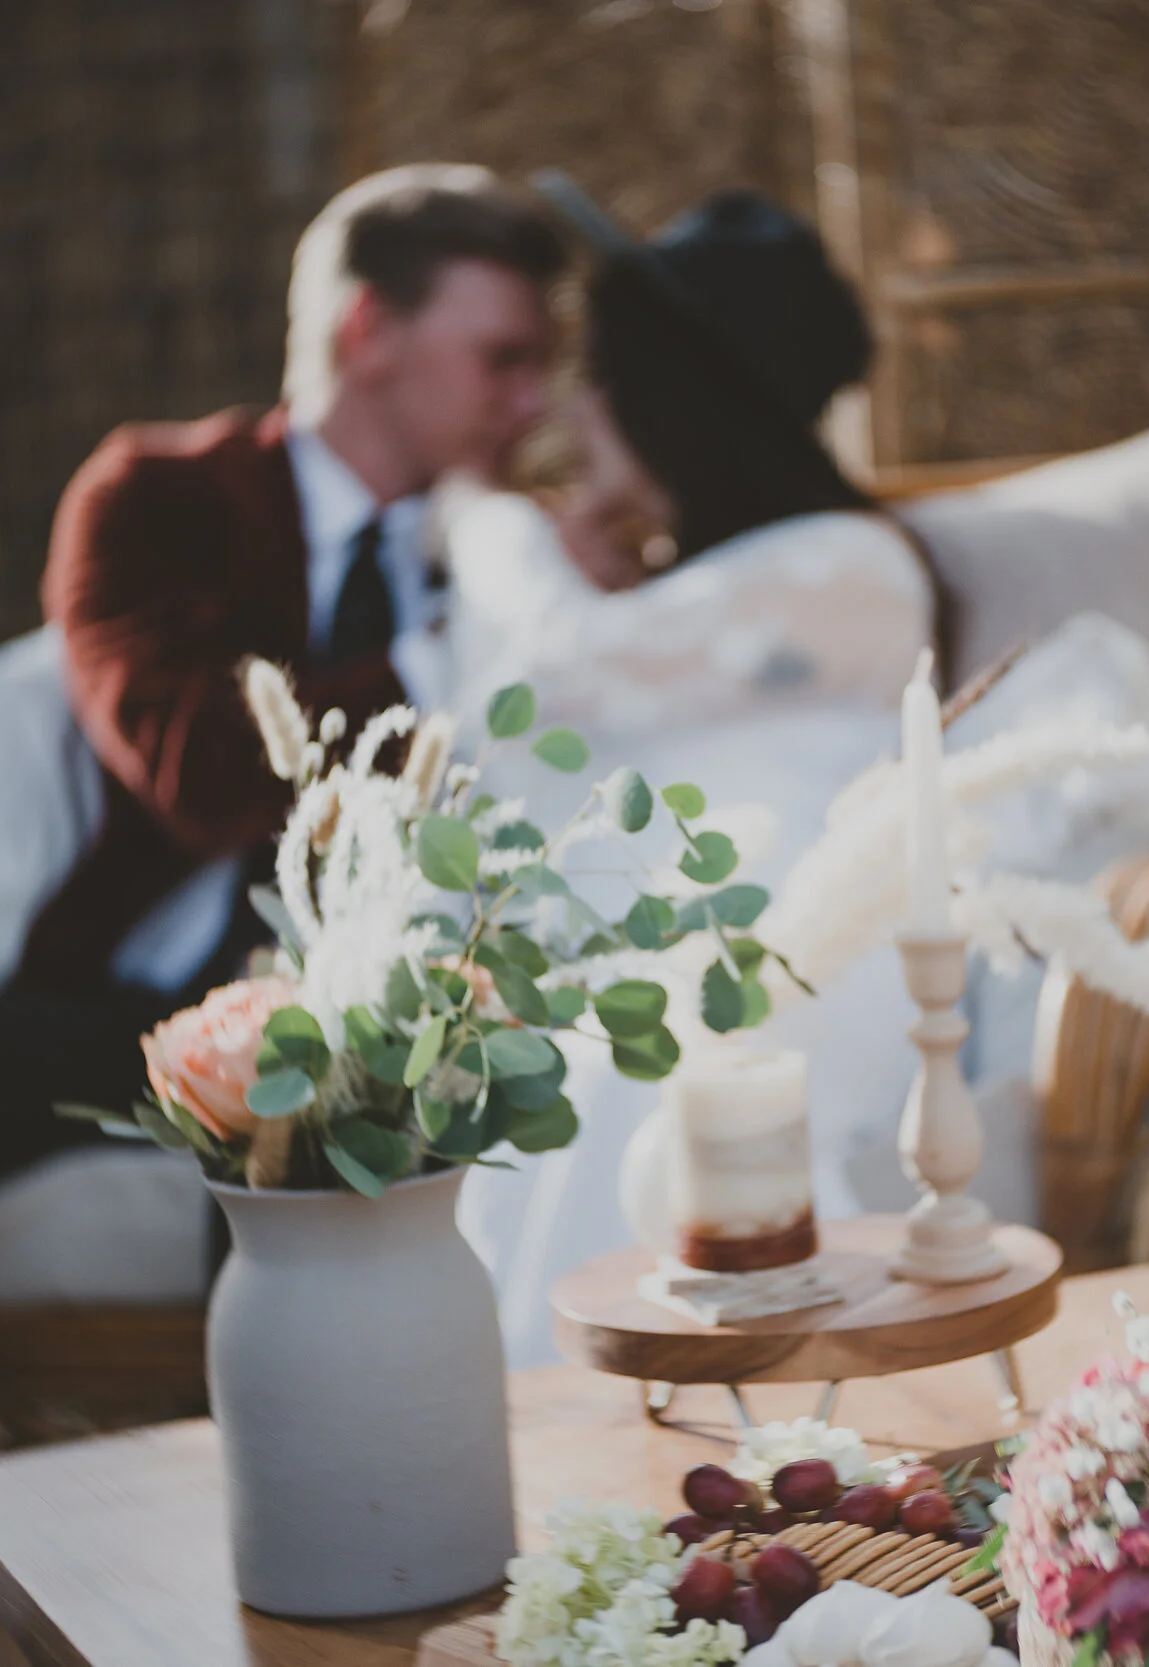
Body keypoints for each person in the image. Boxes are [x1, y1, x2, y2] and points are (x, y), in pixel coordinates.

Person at [0, 165, 564, 1544]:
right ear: (369, 332)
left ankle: (270, 1557)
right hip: (130, 1014)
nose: (530, 401)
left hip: (403, 1017)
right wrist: (435, 658)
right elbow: (189, 764)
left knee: (305, 1098)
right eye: (503, 356)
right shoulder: (153, 495)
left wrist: (523, 584)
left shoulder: (528, 546)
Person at [447, 178, 950, 1364]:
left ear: (674, 404)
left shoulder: (848, 562)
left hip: (786, 929)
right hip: (681, 911)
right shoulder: (676, 584)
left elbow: (552, 678)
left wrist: (482, 521)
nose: (575, 404)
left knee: (632, 1058)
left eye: (602, 375)